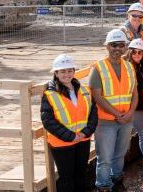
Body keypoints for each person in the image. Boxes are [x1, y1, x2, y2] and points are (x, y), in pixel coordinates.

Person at [90, 29, 138, 192]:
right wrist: (117, 114)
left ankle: (116, 180)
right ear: (107, 46)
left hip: (126, 120)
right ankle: (103, 186)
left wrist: (130, 113)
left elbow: (135, 94)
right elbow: (97, 96)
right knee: (105, 158)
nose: (117, 48)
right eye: (113, 45)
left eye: (121, 45)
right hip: (105, 122)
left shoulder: (129, 67)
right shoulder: (98, 68)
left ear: (125, 47)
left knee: (120, 154)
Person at [41, 54, 97, 192]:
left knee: (81, 174)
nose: (67, 74)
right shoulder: (50, 94)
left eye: (69, 70)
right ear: (56, 73)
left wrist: (85, 132)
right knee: (66, 178)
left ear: (73, 71)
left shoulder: (84, 90)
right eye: (63, 71)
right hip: (62, 143)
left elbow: (93, 114)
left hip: (83, 140)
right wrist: (70, 136)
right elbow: (48, 121)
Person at [127, 38, 143, 159]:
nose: (137, 54)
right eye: (134, 52)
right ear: (130, 52)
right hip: (135, 108)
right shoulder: (126, 68)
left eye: (140, 52)